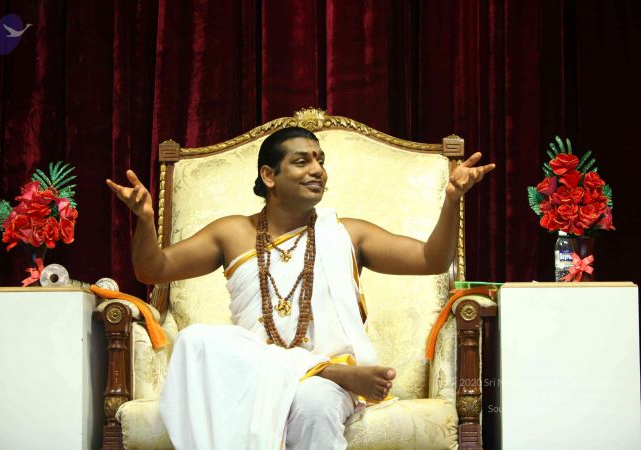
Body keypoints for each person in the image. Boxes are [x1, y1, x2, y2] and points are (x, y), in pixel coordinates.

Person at [106, 127, 494, 450]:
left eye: (320, 160)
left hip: (325, 386)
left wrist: (451, 200)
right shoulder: (232, 232)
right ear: (269, 175)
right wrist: (145, 219)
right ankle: (329, 372)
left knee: (313, 404)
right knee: (197, 339)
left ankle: (326, 374)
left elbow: (431, 259)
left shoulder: (347, 233)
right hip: (255, 375)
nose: (318, 170)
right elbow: (152, 270)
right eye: (302, 161)